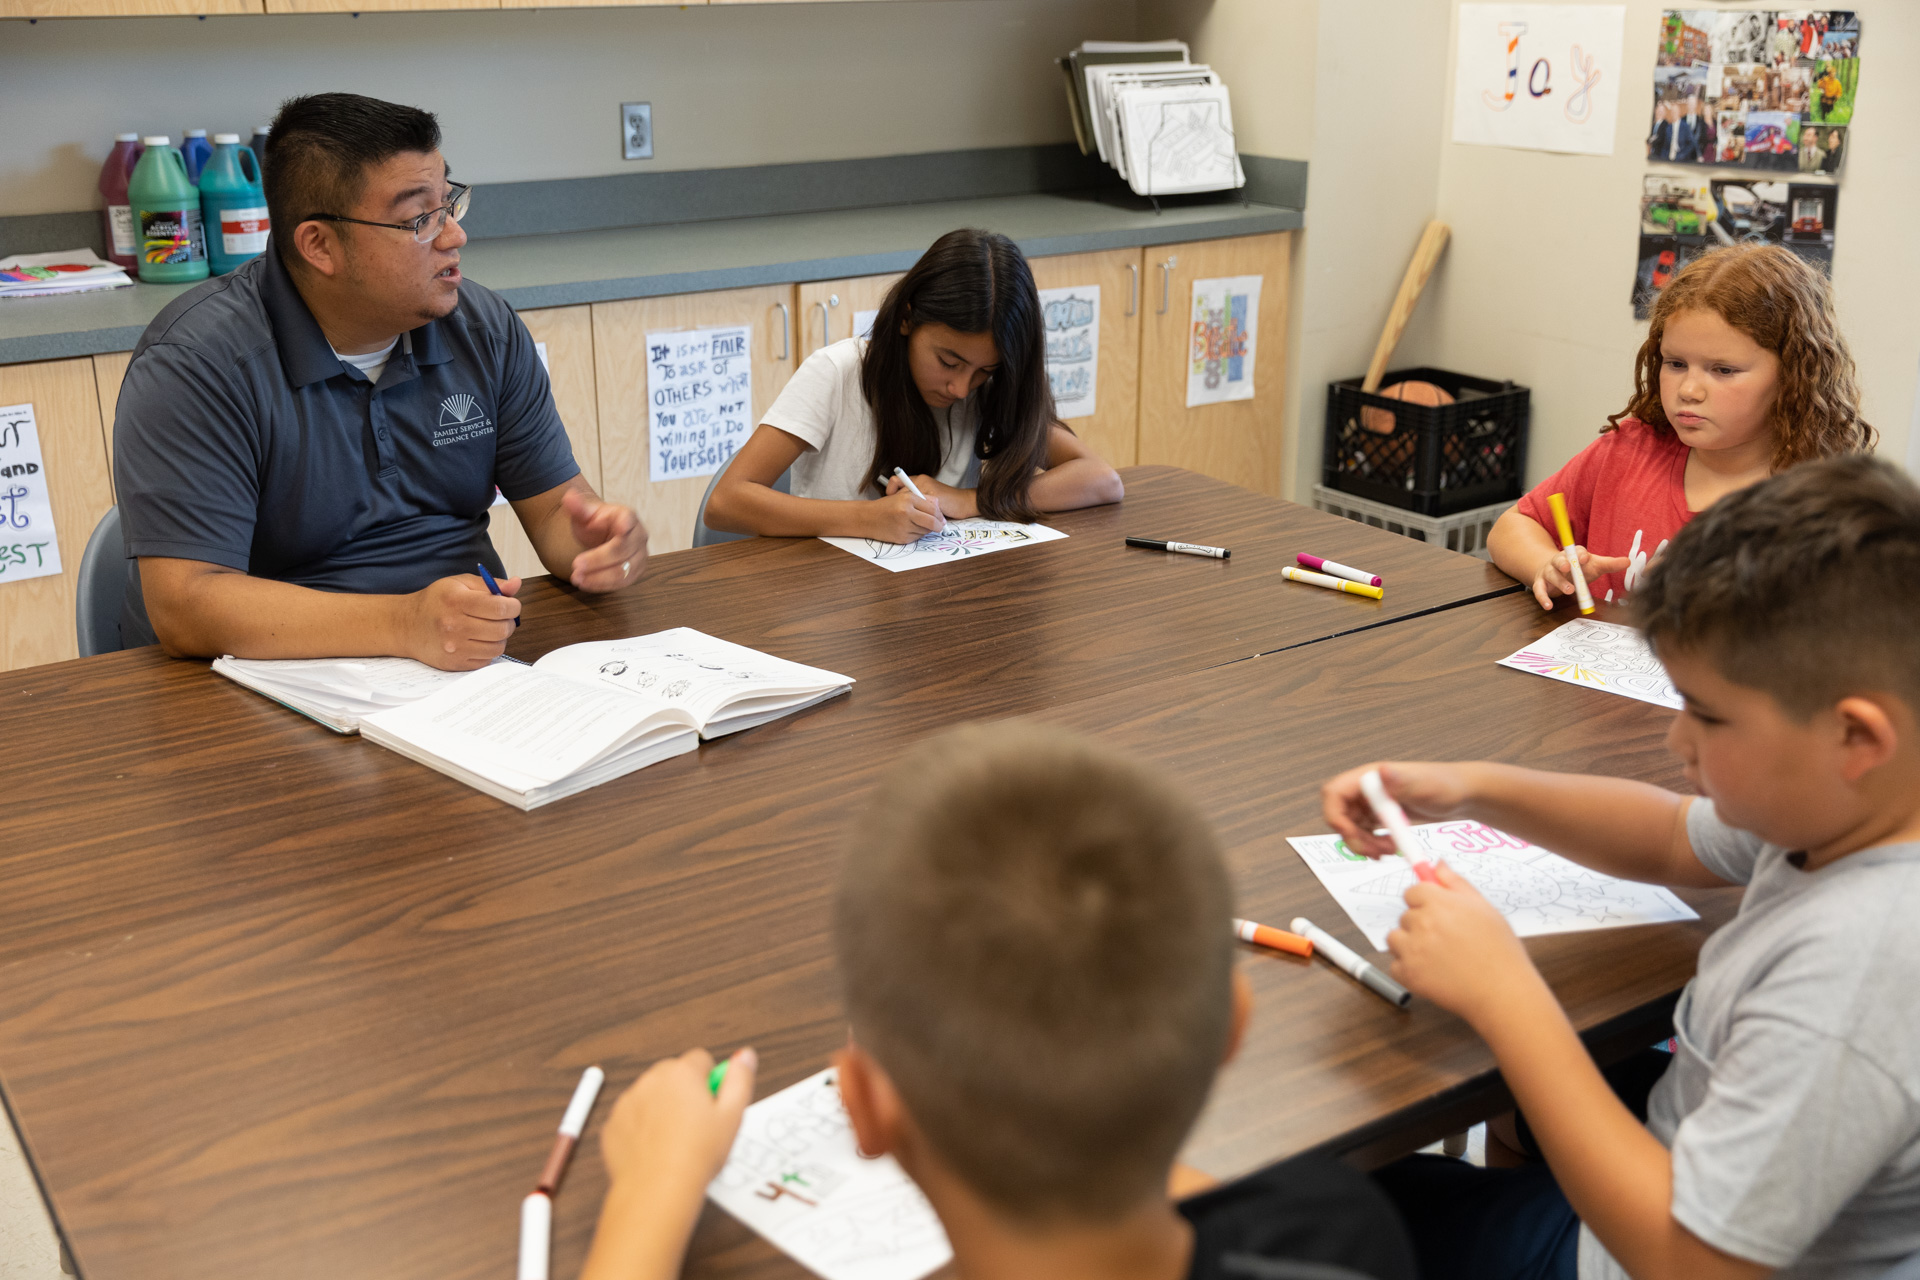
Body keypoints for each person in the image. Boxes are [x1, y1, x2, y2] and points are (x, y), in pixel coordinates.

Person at [1323, 455, 1920, 1280]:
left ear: (1858, 737)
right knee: (1516, 1101)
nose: (1678, 744)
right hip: (1693, 1151)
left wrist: (1505, 992)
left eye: (1705, 717)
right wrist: (1468, 789)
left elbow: (1698, 1264)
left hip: (1660, 1253)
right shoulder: (1859, 804)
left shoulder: (1860, 970)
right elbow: (1674, 836)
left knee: (1319, 1209)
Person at [577, 722, 1419, 1280]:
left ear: (864, 1107)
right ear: (1233, 1025)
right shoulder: (1341, 1237)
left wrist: (655, 1188)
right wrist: (1106, 1115)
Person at [113, 93, 647, 670]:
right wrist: (402, 623)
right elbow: (185, 603)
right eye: (418, 220)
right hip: (284, 681)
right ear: (319, 245)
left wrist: (596, 542)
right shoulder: (198, 363)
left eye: (450, 205)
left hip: (471, 664)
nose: (452, 238)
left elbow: (551, 513)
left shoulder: (482, 329)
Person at [1486, 242, 1873, 609]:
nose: (1688, 390)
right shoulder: (1630, 448)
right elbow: (1513, 526)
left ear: (1792, 377)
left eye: (1723, 370)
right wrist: (1547, 565)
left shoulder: (1819, 504)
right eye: (1675, 364)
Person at [704, 229, 1123, 543]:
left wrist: (970, 500)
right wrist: (868, 519)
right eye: (948, 361)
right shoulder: (837, 372)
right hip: (832, 606)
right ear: (907, 318)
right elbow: (726, 503)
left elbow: (1101, 480)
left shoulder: (990, 388)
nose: (961, 388)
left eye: (983, 371)